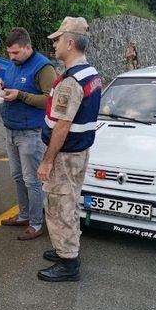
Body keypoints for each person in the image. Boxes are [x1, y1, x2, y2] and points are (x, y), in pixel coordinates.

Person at [37, 17, 102, 282]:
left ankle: (68, 262)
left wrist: (47, 161)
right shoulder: (91, 74)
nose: (54, 45)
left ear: (70, 42)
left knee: (59, 204)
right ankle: (67, 249)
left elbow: (61, 127)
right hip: (79, 152)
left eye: (58, 40)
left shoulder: (71, 82)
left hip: (65, 154)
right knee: (70, 200)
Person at [0, 27, 56, 240]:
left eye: (16, 53)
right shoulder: (14, 64)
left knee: (32, 180)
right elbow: (11, 83)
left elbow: (50, 101)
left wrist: (20, 95)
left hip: (31, 133)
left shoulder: (44, 68)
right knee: (18, 176)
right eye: (9, 53)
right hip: (11, 128)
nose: (11, 57)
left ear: (28, 47)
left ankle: (37, 224)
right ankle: (23, 215)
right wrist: (0, 84)